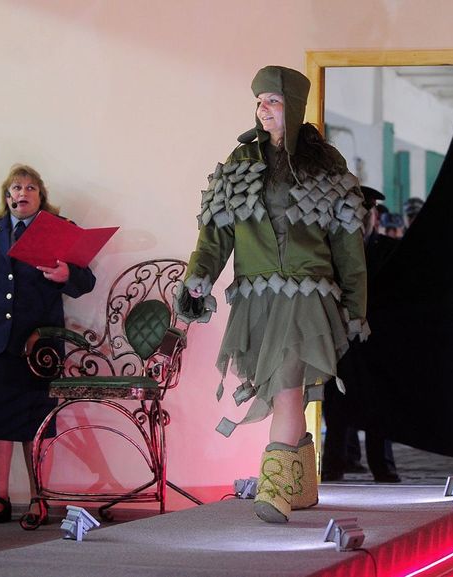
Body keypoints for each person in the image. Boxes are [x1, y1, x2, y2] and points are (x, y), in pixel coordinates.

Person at [175, 65, 368, 523]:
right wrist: (199, 275)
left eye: (274, 102)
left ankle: (276, 489)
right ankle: (303, 487)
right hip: (256, 299)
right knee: (286, 388)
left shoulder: (326, 166)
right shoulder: (241, 164)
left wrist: (356, 308)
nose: (264, 109)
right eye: (260, 101)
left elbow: (348, 247)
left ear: (295, 108)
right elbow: (216, 234)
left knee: (284, 387)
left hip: (308, 297)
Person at [0, 164, 96, 526]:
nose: (23, 193)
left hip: (39, 344)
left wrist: (66, 276)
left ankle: (38, 498)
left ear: (40, 196)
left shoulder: (60, 231)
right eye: (16, 187)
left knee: (36, 423)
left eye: (31, 187)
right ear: (7, 195)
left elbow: (86, 280)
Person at [322, 186, 401, 483]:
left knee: (381, 402)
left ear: (374, 217)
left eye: (365, 212)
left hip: (379, 341)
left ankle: (383, 467)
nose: (361, 218)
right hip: (343, 339)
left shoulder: (391, 251)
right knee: (337, 401)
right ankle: (334, 465)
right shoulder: (332, 250)